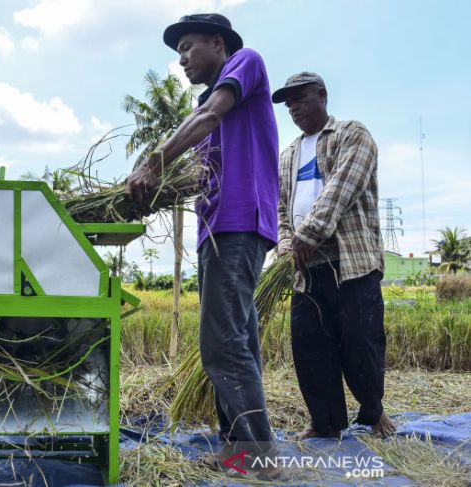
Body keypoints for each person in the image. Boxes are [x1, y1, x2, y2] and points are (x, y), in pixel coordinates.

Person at [125, 13, 281, 477]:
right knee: (238, 338)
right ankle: (238, 450)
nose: (182, 60)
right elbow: (199, 166)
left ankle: (260, 454)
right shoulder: (205, 103)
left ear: (219, 44)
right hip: (216, 229)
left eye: (188, 47)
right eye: (178, 53)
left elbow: (211, 115)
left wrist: (153, 162)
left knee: (220, 343)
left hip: (238, 223)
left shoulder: (245, 63)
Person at [272, 72, 396, 438]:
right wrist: (285, 246)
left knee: (362, 343)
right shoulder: (289, 155)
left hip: (350, 262)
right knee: (310, 346)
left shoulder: (352, 135)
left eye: (300, 98)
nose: (294, 107)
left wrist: (308, 233)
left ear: (322, 96)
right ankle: (325, 422)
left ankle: (373, 414)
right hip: (305, 269)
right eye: (288, 103)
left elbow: (341, 188)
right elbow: (280, 208)